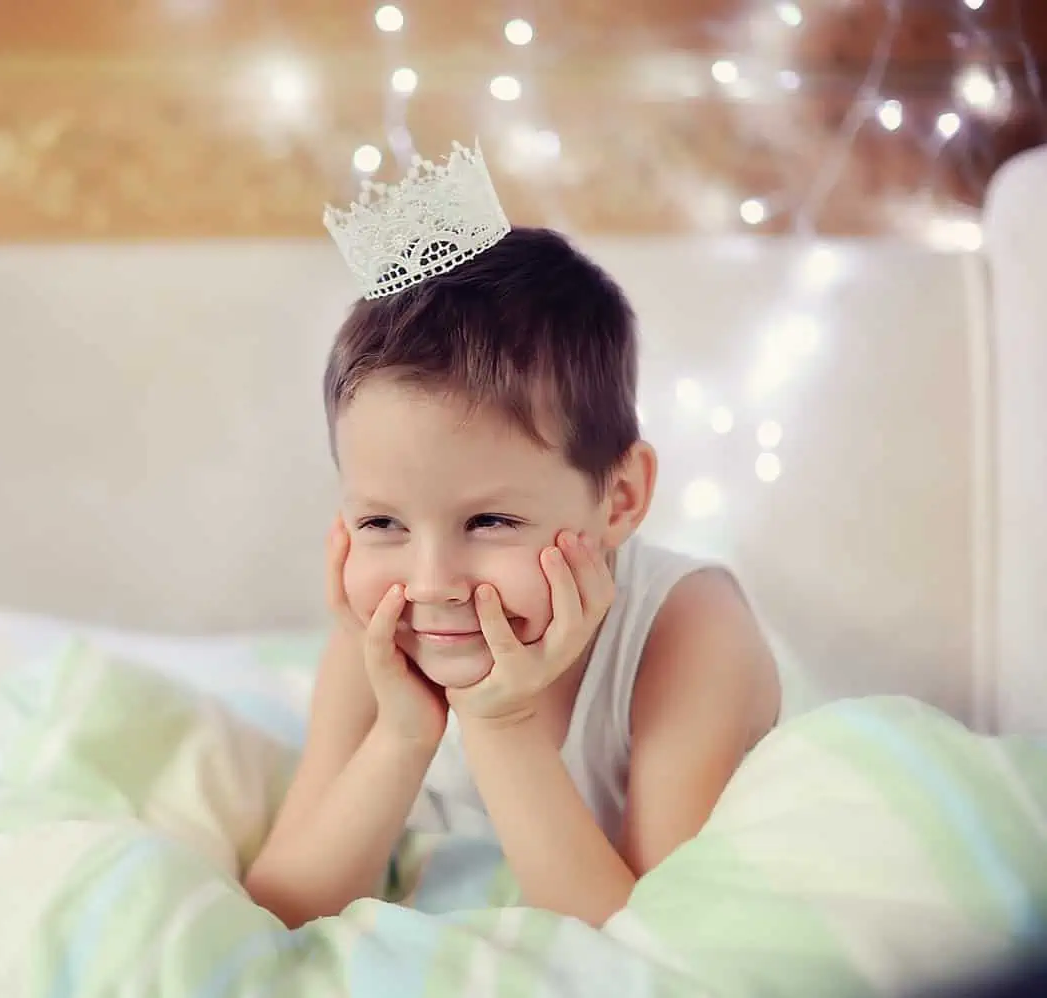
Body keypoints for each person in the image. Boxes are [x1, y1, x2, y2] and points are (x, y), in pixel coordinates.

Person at [242, 143, 782, 930]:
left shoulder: (689, 632)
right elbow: (282, 906)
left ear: (621, 498)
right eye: (381, 522)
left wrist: (500, 727)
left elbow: (647, 945)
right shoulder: (383, 636)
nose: (431, 580)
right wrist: (402, 733)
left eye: (490, 521)